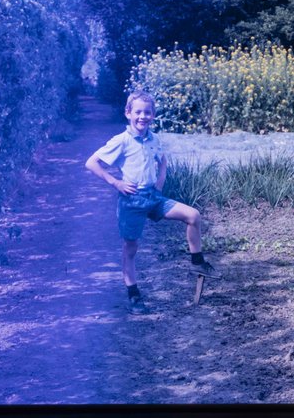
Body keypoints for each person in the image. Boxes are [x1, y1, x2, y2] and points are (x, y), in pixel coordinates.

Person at [86, 90, 217, 314]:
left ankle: (197, 262)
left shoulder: (153, 139)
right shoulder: (122, 141)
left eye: (147, 112)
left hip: (154, 197)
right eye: (138, 112)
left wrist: (161, 179)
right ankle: (134, 294)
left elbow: (162, 159)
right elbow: (91, 163)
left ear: (153, 115)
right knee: (131, 247)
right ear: (128, 113)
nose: (142, 117)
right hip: (132, 201)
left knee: (193, 215)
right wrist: (116, 183)